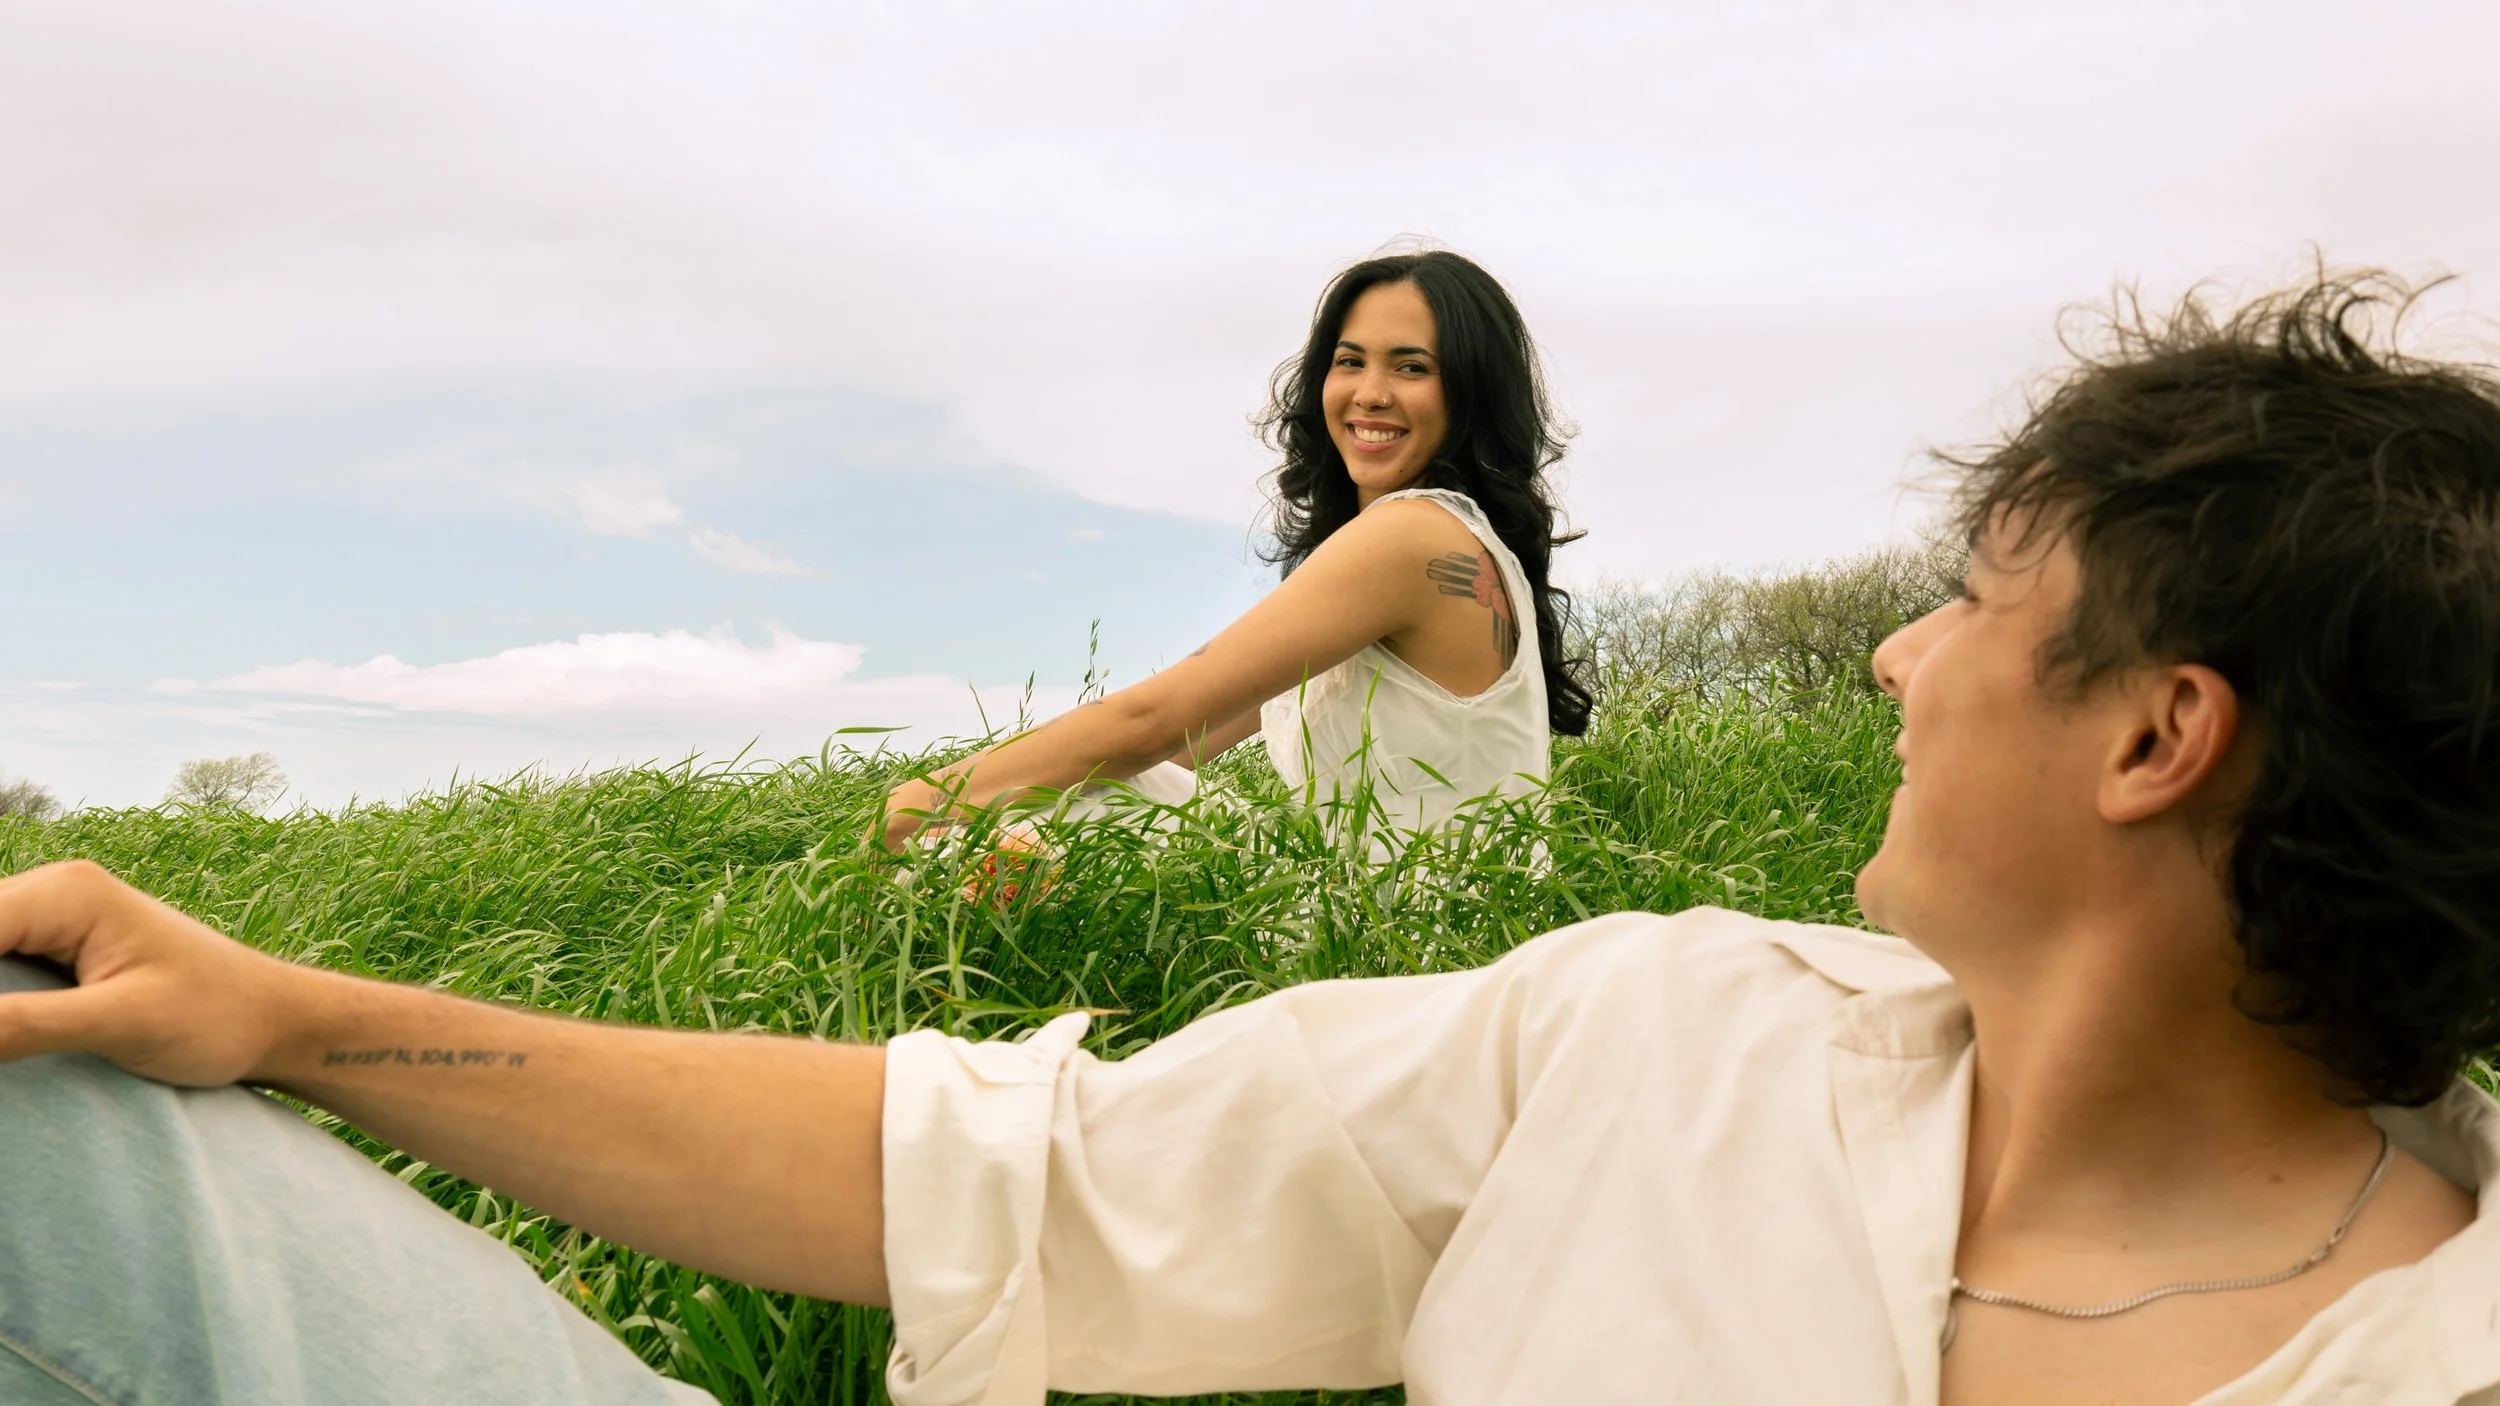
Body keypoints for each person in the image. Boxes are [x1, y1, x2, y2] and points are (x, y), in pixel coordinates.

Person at [1, 270, 2497, 1405]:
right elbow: (990, 1166)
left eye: (1967, 598)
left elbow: (1158, 707)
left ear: (2158, 733)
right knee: (49, 1110)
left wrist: (956, 787)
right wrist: (300, 1008)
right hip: (1366, 984)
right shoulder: (1664, 1036)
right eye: (1350, 356)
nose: (1891, 656)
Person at [879, 248, 1595, 855]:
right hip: (1411, 924)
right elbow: (1173, 742)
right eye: (1350, 361)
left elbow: (1149, 722)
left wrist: (911, 806)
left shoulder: (1413, 534)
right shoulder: (1433, 542)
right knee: (1071, 789)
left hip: (1403, 939)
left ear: (1473, 393)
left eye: (1411, 368)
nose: (1370, 393)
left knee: (1023, 803)